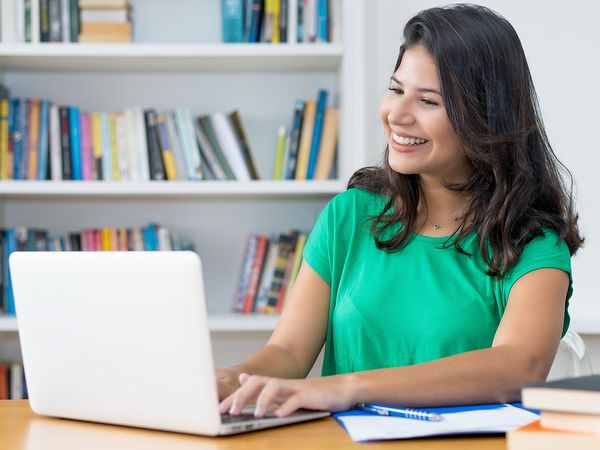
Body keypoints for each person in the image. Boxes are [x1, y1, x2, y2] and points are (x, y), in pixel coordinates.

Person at [217, 3, 583, 418]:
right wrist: (237, 378)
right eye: (395, 89)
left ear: (486, 117)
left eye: (427, 101)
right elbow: (288, 351)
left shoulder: (532, 241)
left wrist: (350, 387)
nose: (397, 114)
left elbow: (519, 366)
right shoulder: (351, 214)